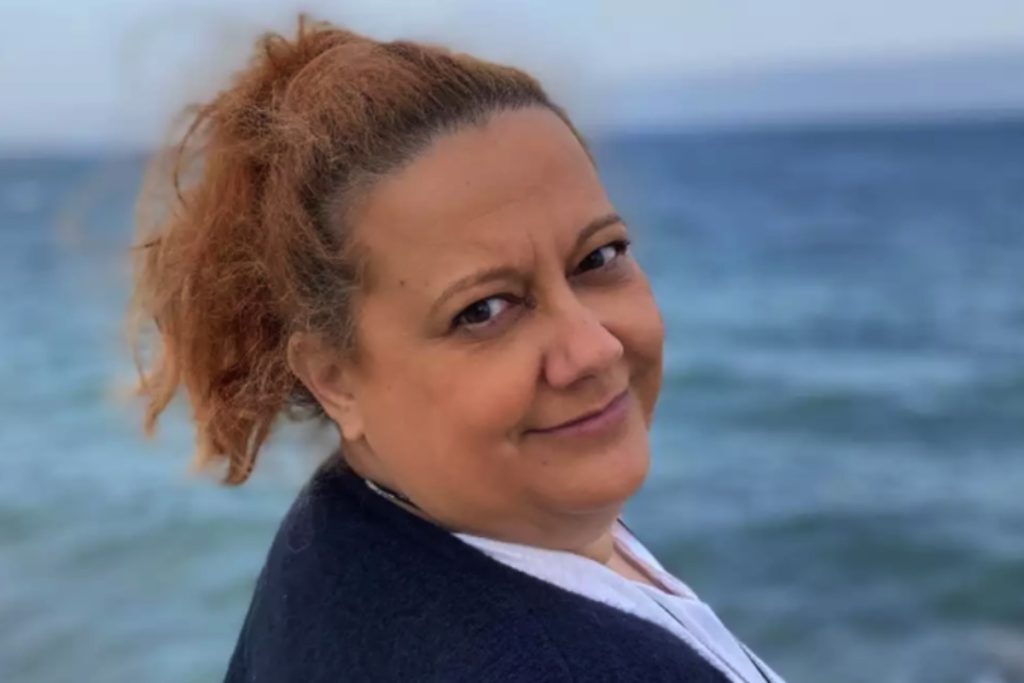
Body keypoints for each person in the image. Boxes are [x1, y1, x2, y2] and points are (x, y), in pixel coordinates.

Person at [126, 16, 787, 683]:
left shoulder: (360, 532)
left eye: (599, 256)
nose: (593, 347)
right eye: (483, 310)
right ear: (334, 379)